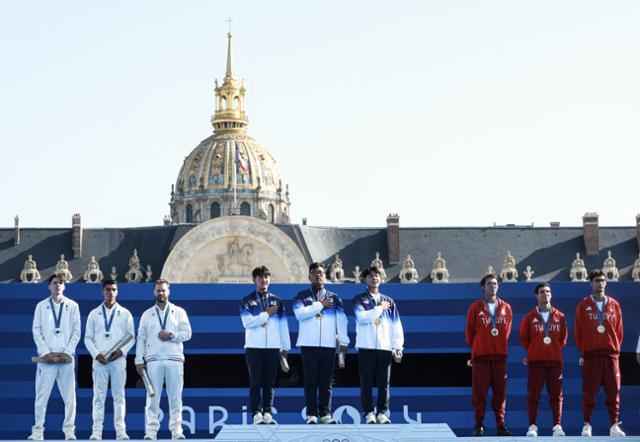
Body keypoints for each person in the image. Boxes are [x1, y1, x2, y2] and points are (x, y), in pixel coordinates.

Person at [135, 279, 192, 440]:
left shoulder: (179, 311)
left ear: (169, 292)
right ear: (154, 292)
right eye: (158, 290)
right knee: (152, 398)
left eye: (163, 290)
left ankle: (176, 430)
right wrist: (139, 360)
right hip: (153, 360)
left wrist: (172, 336)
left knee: (175, 397)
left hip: (174, 359)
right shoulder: (147, 314)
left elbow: (188, 333)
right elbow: (141, 338)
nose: (161, 293)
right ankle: (151, 431)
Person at [293, 262, 349, 424]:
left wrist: (343, 343)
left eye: (322, 273)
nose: (319, 275)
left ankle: (325, 414)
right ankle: (311, 415)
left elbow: (342, 321)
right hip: (308, 344)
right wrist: (320, 305)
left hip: (328, 344)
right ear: (309, 275)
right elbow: (300, 315)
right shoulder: (301, 296)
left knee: (326, 383)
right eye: (315, 273)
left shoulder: (335, 298)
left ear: (325, 276)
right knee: (310, 381)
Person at [28, 274, 81, 441]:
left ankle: (69, 432)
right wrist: (46, 352)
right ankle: (37, 432)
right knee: (41, 398)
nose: (58, 285)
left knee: (70, 398)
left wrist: (68, 351)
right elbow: (36, 331)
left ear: (64, 287)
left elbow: (77, 331)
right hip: (47, 359)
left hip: (66, 359)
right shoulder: (41, 307)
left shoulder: (73, 306)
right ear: (49, 286)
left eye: (61, 283)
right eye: (55, 283)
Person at [574, 269, 625, 437]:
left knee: (613, 391)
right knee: (589, 392)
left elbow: (619, 331)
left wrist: (614, 348)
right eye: (597, 280)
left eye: (603, 280)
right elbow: (578, 332)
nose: (600, 283)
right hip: (591, 355)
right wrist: (585, 351)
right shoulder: (583, 305)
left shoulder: (614, 305)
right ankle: (587, 424)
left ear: (606, 283)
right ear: (591, 283)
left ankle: (614, 425)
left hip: (610, 355)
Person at [84, 279, 135, 440]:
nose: (111, 292)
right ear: (102, 292)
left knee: (119, 396)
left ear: (117, 292)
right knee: (98, 396)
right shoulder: (94, 314)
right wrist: (96, 354)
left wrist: (121, 351)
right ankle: (96, 432)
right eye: (108, 289)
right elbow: (87, 338)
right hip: (99, 359)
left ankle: (120, 432)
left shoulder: (125, 313)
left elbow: (131, 338)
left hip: (118, 359)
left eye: (113, 289)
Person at [240, 266, 291, 425]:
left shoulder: (277, 301)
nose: (264, 280)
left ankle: (268, 412)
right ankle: (256, 413)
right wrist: (266, 314)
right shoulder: (247, 301)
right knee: (255, 382)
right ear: (254, 280)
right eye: (261, 277)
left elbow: (283, 326)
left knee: (269, 383)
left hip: (273, 347)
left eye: (267, 277)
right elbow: (247, 323)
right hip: (254, 347)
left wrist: (285, 348)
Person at [352, 266, 404, 424]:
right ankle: (368, 413)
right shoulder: (359, 299)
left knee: (384, 383)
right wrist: (379, 308)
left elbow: (396, 325)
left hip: (384, 347)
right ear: (365, 280)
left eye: (376, 275)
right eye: (370, 276)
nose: (374, 278)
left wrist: (398, 347)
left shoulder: (390, 301)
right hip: (366, 347)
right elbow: (361, 318)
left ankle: (382, 412)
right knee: (366, 382)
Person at [465, 273, 513, 437]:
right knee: (480, 394)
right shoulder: (475, 308)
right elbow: (469, 334)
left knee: (500, 394)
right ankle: (479, 425)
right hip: (481, 358)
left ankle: (500, 425)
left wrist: (496, 345)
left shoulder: (506, 308)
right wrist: (479, 347)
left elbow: (505, 332)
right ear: (483, 287)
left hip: (500, 357)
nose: (493, 286)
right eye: (489, 284)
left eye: (495, 284)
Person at [519, 283, 567, 437]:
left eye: (548, 291)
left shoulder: (560, 317)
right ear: (536, 296)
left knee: (556, 396)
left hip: (555, 362)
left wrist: (552, 349)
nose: (545, 294)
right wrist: (535, 350)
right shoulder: (529, 317)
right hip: (536, 363)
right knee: (534, 395)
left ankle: (557, 426)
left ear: (551, 295)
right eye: (541, 292)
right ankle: (532, 426)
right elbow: (524, 339)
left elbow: (563, 340)